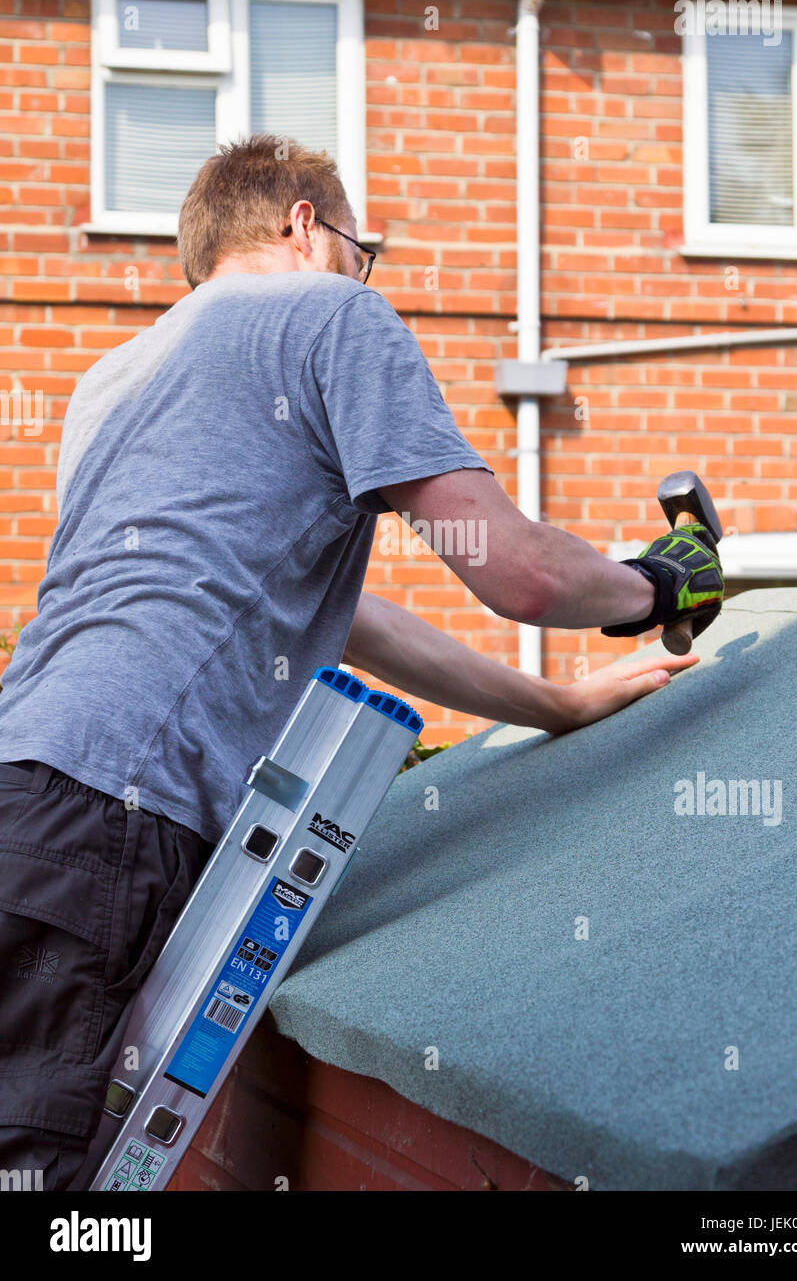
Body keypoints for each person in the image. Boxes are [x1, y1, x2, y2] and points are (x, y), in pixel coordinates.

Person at [0, 135, 723, 1191]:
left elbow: (331, 619)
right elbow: (510, 568)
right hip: (113, 820)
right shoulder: (329, 315)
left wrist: (551, 701)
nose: (362, 273)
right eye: (360, 248)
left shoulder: (109, 384)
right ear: (304, 225)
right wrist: (658, 585)